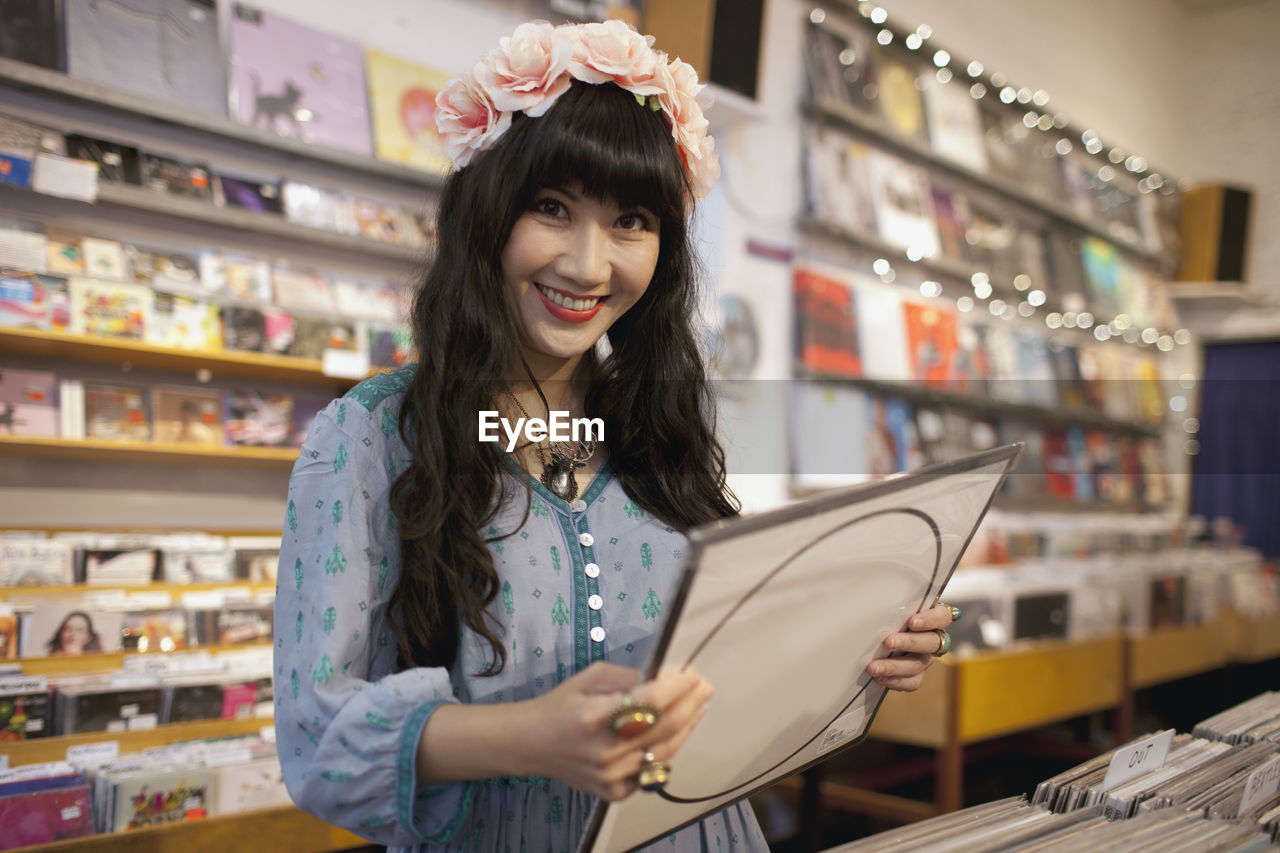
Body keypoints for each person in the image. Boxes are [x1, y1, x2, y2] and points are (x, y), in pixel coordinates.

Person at [274, 19, 958, 852]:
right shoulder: (369, 435)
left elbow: (728, 673)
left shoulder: (661, 425)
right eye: (552, 207)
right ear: (485, 212)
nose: (589, 265)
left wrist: (862, 642)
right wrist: (530, 735)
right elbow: (317, 738)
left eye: (631, 220)